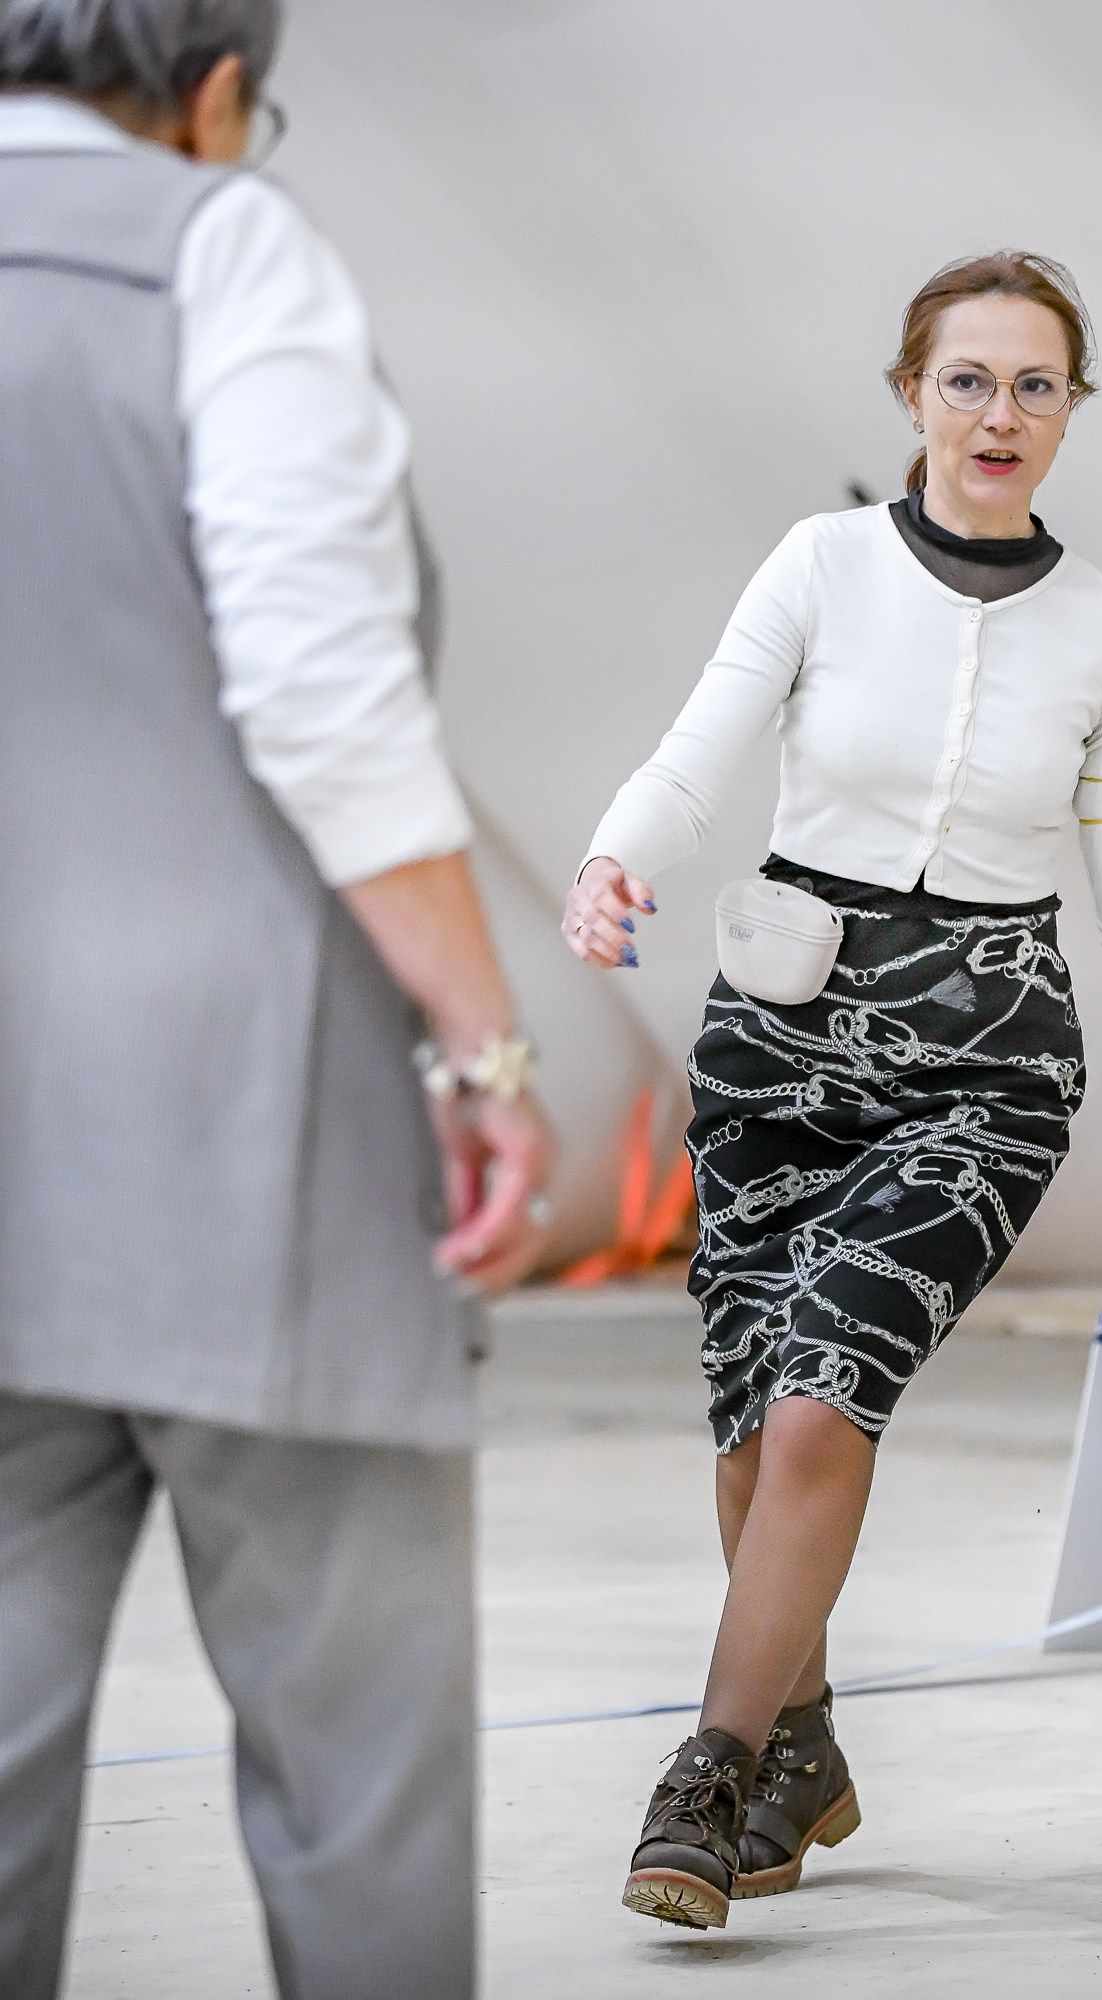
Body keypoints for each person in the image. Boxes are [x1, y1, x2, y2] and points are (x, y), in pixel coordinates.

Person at [568, 249, 1102, 1928]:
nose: (999, 414)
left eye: (1037, 385)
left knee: (825, 1405)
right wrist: (613, 858)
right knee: (753, 1438)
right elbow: (697, 753)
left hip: (986, 1072)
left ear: (1072, 411)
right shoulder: (819, 565)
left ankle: (708, 1775)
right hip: (776, 1048)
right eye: (968, 380)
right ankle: (802, 1749)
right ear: (912, 395)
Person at [0, 3, 554, 1994]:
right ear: (217, 91)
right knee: (356, 1766)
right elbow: (317, 685)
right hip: (246, 1143)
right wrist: (483, 1046)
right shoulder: (221, 246)